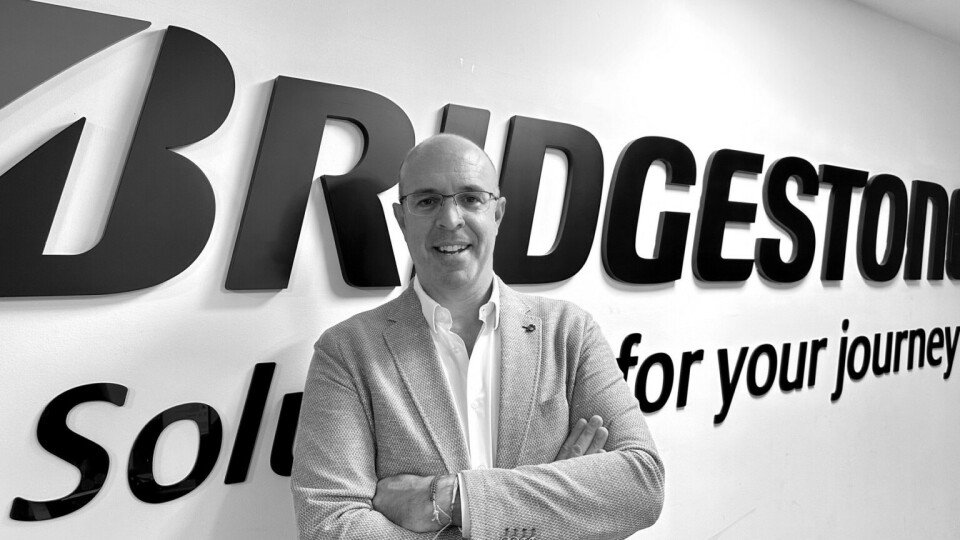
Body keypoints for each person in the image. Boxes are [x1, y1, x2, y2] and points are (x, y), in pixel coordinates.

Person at [291, 134, 664, 539]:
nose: (450, 219)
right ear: (401, 219)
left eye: (471, 198)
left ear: (497, 213)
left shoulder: (569, 332)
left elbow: (641, 483)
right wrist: (559, 506)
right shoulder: (346, 353)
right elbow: (328, 526)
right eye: (427, 201)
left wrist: (451, 499)